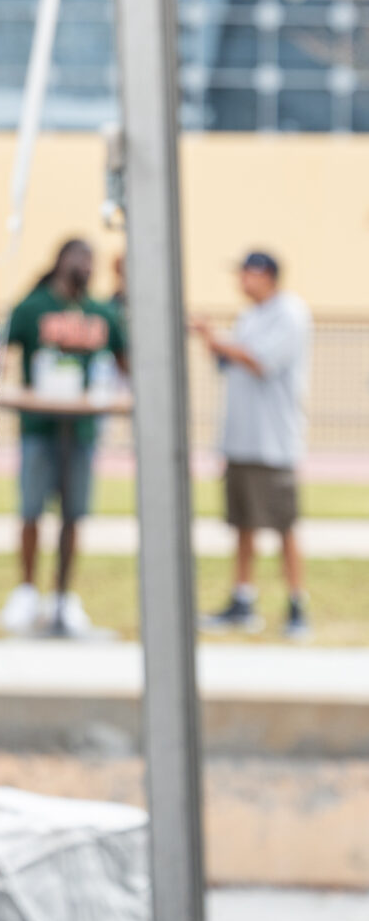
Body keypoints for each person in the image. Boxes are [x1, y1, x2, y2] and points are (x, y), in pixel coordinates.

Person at [1, 237, 126, 639]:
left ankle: (63, 596)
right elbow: (0, 354)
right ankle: (26, 591)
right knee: (32, 510)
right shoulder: (33, 307)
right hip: (40, 429)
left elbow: (127, 361)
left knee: (73, 515)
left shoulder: (100, 312)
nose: (86, 267)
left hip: (82, 431)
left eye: (92, 260)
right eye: (80, 258)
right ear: (60, 261)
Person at [193, 250, 312, 638]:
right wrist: (213, 343)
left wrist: (216, 339)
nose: (241, 281)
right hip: (241, 441)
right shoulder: (248, 317)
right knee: (242, 523)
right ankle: (242, 600)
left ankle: (297, 605)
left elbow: (261, 361)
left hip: (273, 442)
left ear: (265, 275)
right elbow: (230, 362)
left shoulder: (290, 314)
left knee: (283, 525)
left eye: (246, 273)